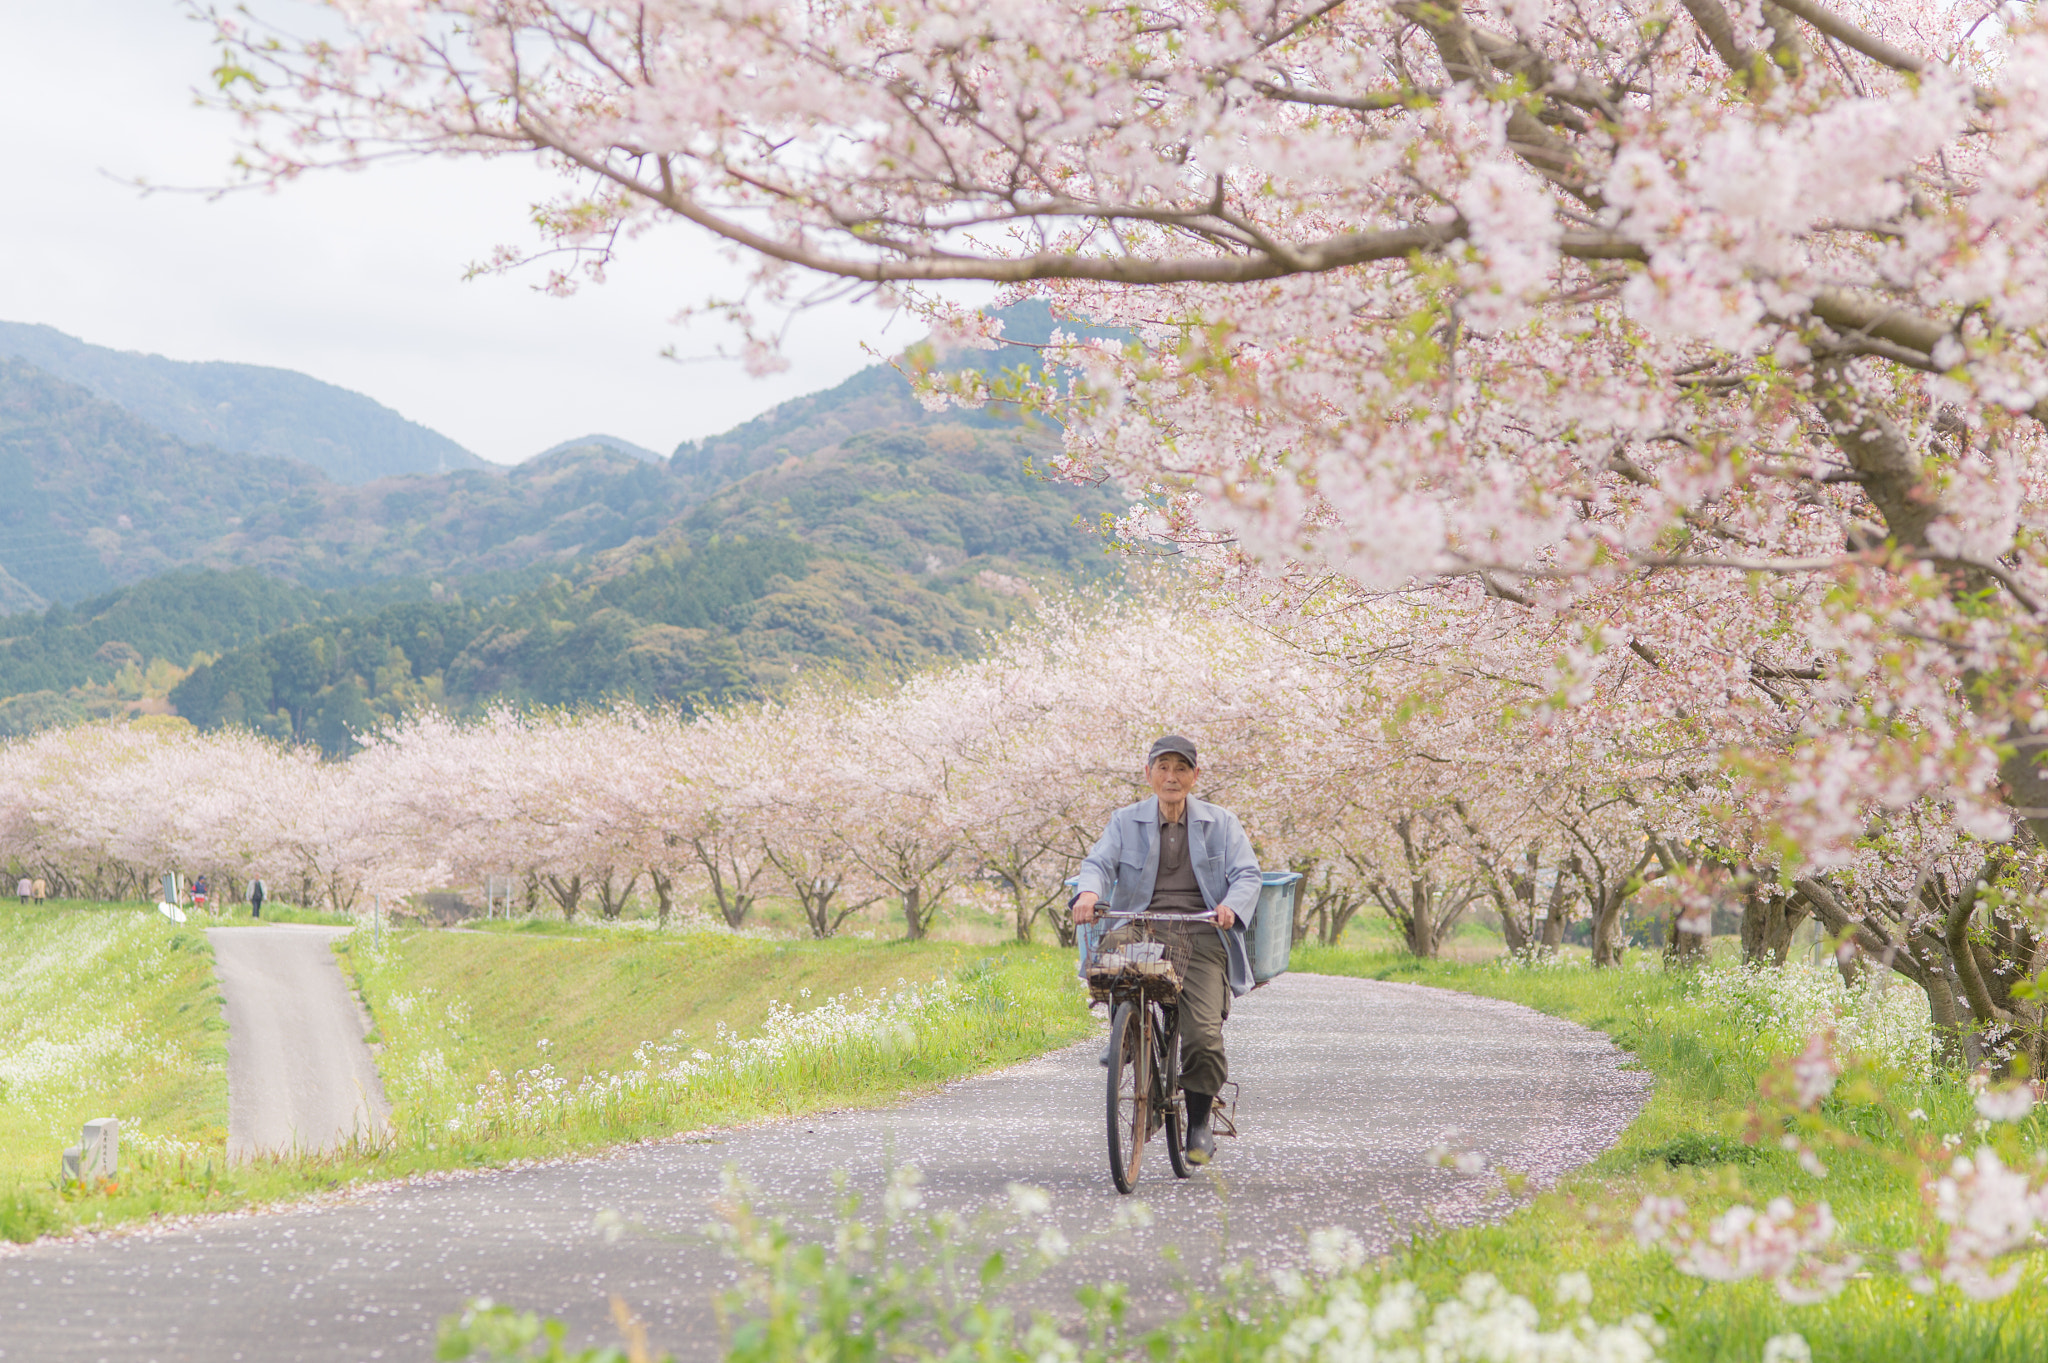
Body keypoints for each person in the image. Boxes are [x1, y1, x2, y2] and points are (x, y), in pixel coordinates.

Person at [1071, 734, 1261, 1165]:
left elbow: (1248, 874)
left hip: (1201, 932)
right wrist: (1087, 894)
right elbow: (1099, 863)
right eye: (1163, 767)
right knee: (1111, 965)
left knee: (1204, 1038)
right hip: (1142, 925)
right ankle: (1127, 1035)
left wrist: (1230, 905)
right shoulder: (1125, 821)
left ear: (1195, 775)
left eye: (1180, 768)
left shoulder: (1222, 822)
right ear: (1148, 774)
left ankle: (1196, 1121)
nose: (1171, 777)